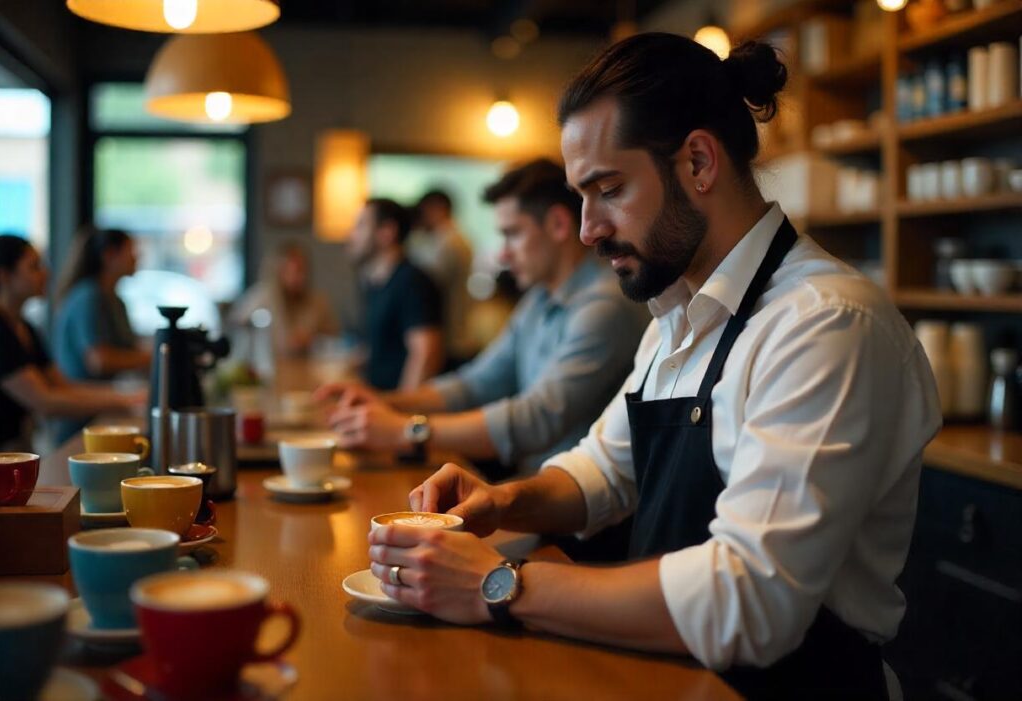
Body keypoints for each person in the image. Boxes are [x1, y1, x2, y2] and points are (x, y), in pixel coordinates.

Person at [365, 34, 941, 699]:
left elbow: (750, 601)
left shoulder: (823, 323)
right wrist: (502, 501)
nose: (587, 229)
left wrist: (500, 584)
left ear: (698, 161)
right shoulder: (677, 311)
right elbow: (605, 471)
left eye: (607, 189)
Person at [320, 159, 647, 481]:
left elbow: (538, 419)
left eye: (512, 234)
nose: (503, 254)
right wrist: (385, 402)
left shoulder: (605, 305)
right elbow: (477, 383)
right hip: (536, 486)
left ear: (559, 225)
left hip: (580, 513)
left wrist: (408, 431)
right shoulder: (539, 298)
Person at [0, 235, 144, 452]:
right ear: (3, 275)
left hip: (16, 448)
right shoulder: (1, 331)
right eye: (34, 266)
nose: (46, 273)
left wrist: (128, 396)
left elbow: (62, 385)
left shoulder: (26, 327)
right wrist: (125, 400)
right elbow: (44, 401)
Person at [52, 226, 150, 444]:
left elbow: (129, 353)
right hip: (81, 418)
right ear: (109, 255)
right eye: (131, 250)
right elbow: (100, 361)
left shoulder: (115, 300)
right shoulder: (89, 296)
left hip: (104, 410)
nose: (137, 257)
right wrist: (155, 356)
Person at [349, 198, 444, 391]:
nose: (352, 235)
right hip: (377, 399)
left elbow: (425, 355)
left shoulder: (412, 281)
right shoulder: (375, 283)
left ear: (387, 232)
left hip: (396, 409)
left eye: (360, 226)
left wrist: (401, 413)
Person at [230, 239, 339, 358]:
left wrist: (313, 340)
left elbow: (334, 338)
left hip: (308, 367)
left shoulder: (318, 302)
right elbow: (238, 325)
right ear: (278, 271)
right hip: (271, 367)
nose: (299, 277)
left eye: (303, 270)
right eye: (293, 271)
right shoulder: (261, 297)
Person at [407, 189, 475, 367]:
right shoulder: (448, 240)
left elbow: (427, 283)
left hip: (451, 337)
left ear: (438, 209)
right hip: (454, 333)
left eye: (424, 211)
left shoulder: (451, 242)